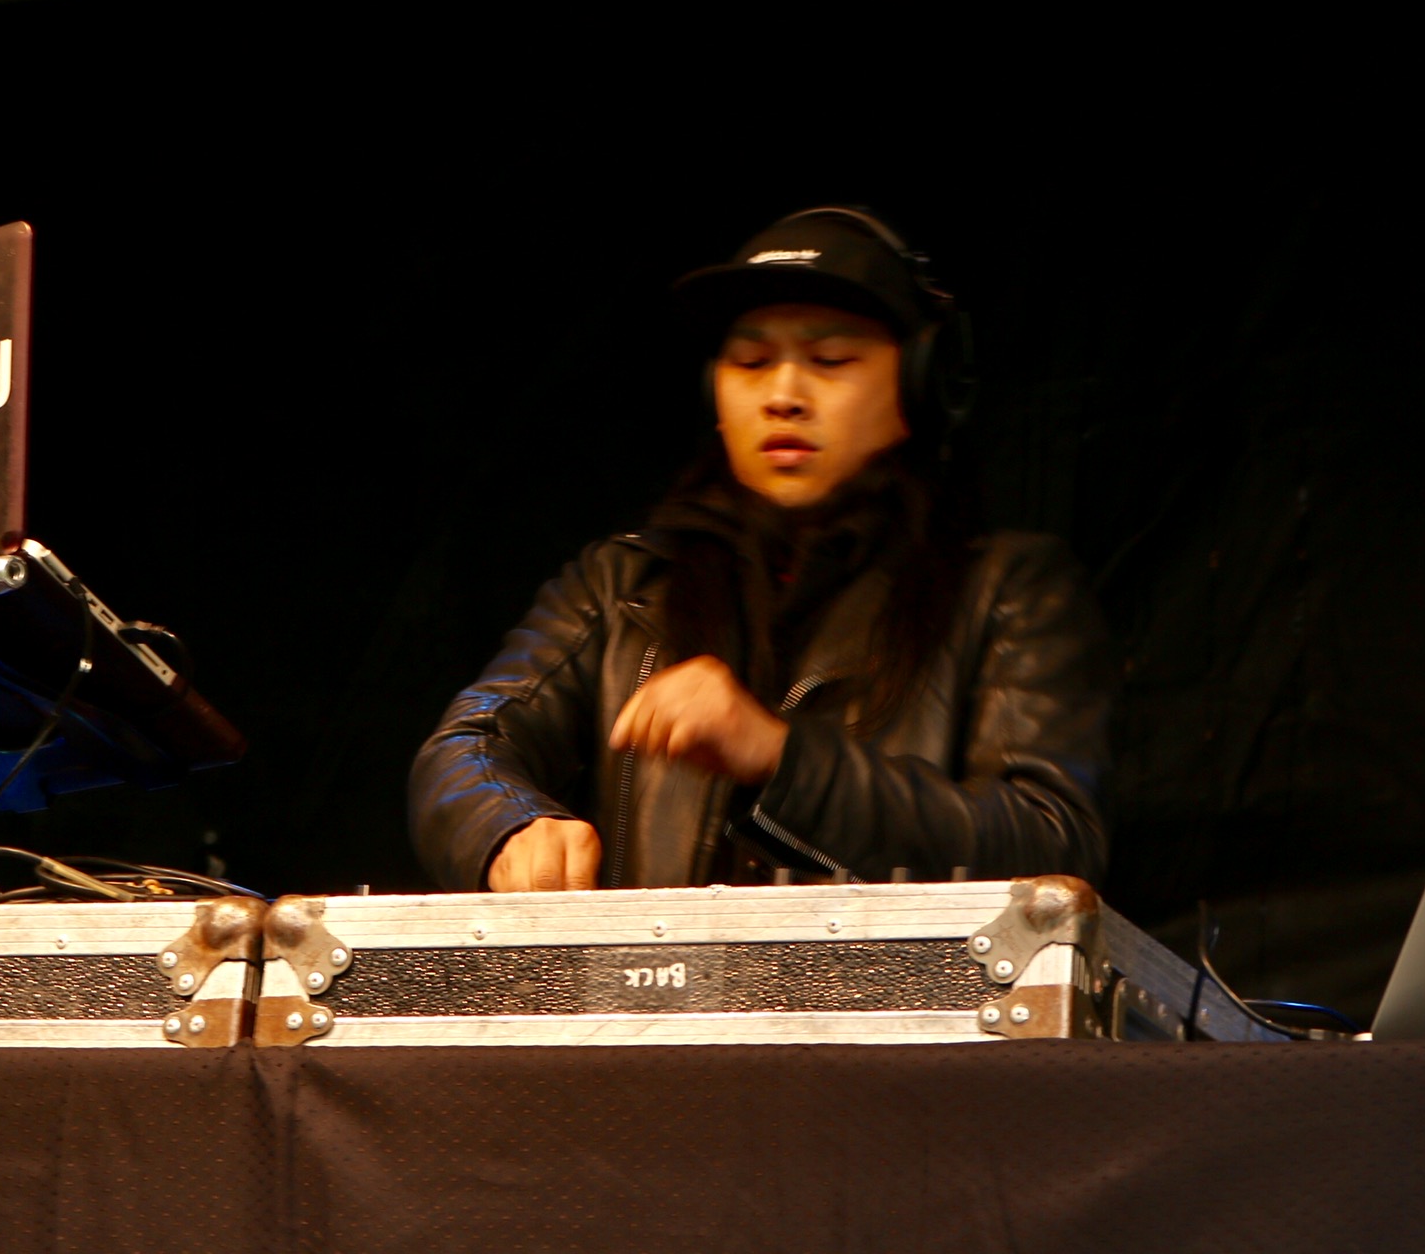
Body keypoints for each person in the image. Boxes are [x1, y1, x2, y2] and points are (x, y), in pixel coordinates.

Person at [407, 208, 1113, 893]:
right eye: (750, 361)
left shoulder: (1010, 587)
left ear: (920, 385)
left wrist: (781, 758)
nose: (782, 395)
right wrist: (508, 828)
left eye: (830, 359)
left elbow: (1050, 838)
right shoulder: (622, 581)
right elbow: (467, 746)